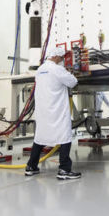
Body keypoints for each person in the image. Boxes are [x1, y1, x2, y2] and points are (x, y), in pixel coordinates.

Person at [25, 46, 81, 180]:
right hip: (57, 110)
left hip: (43, 111)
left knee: (40, 137)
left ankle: (31, 167)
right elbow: (73, 82)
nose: (62, 60)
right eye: (61, 58)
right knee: (65, 136)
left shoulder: (40, 70)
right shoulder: (57, 69)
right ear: (56, 57)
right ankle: (64, 169)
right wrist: (70, 72)